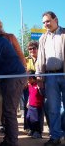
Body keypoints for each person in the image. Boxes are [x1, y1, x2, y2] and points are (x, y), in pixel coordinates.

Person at [36, 11, 65, 146]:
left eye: (48, 21)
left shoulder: (64, 33)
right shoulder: (42, 38)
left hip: (64, 74)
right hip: (50, 76)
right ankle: (55, 137)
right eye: (44, 22)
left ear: (56, 19)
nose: (46, 24)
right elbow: (40, 59)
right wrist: (39, 78)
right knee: (53, 108)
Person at [23, 41, 39, 133]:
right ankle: (28, 127)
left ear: (37, 48)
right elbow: (23, 72)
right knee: (28, 106)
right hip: (29, 87)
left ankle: (41, 128)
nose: (32, 50)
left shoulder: (42, 58)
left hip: (41, 86)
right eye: (30, 49)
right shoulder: (25, 60)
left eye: (34, 48)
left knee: (44, 107)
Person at [26, 70, 44, 139]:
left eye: (29, 79)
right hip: (30, 105)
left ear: (33, 78)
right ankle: (32, 130)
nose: (28, 80)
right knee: (28, 118)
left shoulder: (38, 85)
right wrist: (28, 102)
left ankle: (38, 132)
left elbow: (42, 94)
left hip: (37, 106)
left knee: (36, 120)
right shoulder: (30, 85)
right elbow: (30, 94)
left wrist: (40, 88)